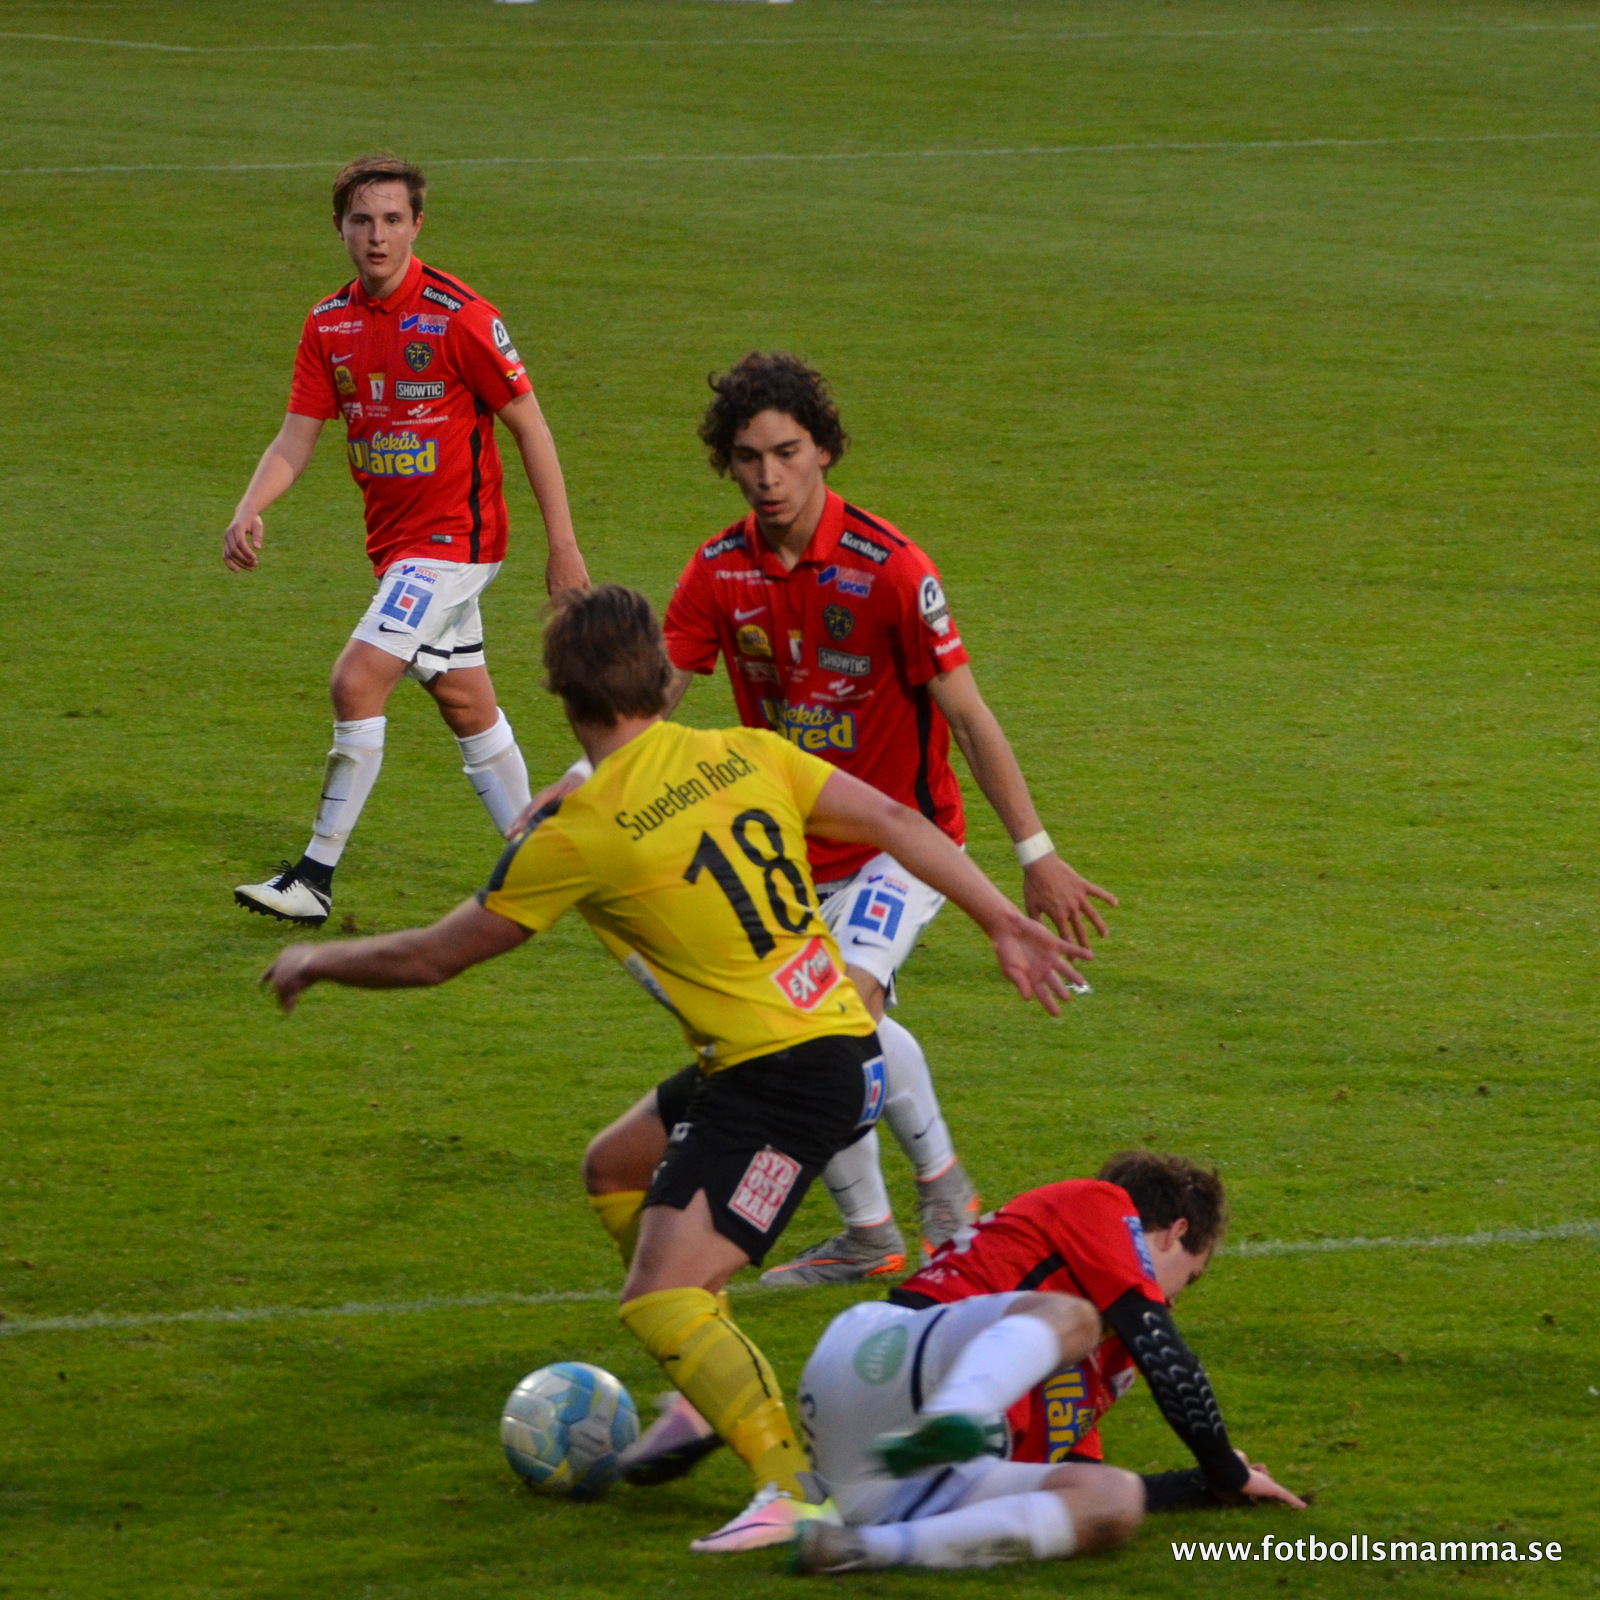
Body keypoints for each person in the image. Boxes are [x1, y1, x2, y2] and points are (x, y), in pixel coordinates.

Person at [260, 586, 1090, 1554]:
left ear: (564, 699)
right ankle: (701, 1392)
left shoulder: (580, 830)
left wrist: (317, 959)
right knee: (614, 1166)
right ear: (659, 676)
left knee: (661, 1296)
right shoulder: (744, 749)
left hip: (785, 1080)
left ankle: (791, 1485)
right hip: (822, 1047)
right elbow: (903, 824)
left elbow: (439, 953)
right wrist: (1001, 922)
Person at [660, 352, 1117, 1287]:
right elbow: (651, 704)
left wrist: (1036, 854)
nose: (768, 476)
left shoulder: (892, 570)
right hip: (788, 852)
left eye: (787, 452)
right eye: (748, 458)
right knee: (812, 1025)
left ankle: (939, 1201)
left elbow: (969, 717)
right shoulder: (716, 572)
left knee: (831, 1015)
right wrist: (590, 789)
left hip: (902, 843)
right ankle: (877, 1228)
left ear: (825, 451)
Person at [226, 153, 588, 926]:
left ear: (417, 224)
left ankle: (314, 877)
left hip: (456, 543)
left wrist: (563, 546)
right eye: (362, 220)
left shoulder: (459, 316)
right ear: (340, 229)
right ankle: (550, 868)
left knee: (356, 680)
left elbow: (530, 425)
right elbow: (296, 438)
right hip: (398, 549)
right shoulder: (328, 323)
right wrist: (250, 506)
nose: (377, 235)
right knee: (466, 704)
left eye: (392, 219)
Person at [789, 1150, 1304, 1573]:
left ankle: (859, 1550)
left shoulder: (1105, 1361)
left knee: (1113, 1499)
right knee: (1074, 1317)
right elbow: (1165, 1354)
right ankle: (958, 1413)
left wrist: (1204, 1484)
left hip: (873, 1476)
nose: (1172, 1303)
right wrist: (1226, 1468)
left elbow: (1059, 1480)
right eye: (1188, 1278)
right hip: (881, 1355)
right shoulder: (1099, 1202)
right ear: (1173, 1232)